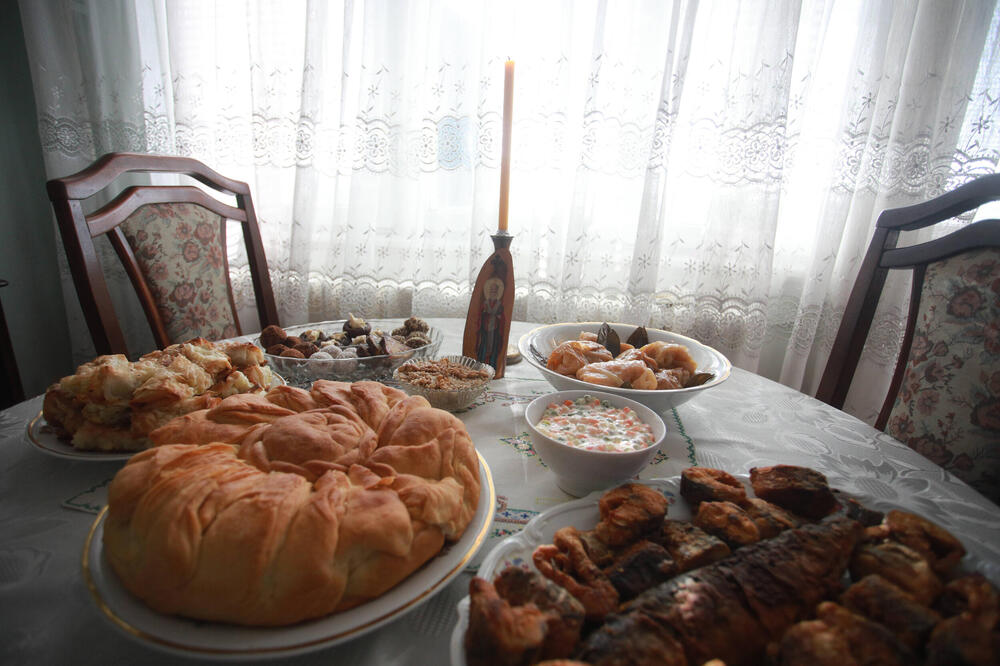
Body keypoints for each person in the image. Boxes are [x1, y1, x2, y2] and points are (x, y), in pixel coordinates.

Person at [476, 277, 505, 369]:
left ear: (497, 291)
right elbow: (479, 315)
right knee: (484, 346)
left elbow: (503, 317)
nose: (493, 292)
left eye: (495, 290)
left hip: (495, 328)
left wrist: (499, 317)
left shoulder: (499, 304)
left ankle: (492, 366)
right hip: (485, 327)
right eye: (491, 290)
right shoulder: (485, 303)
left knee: (493, 348)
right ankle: (481, 365)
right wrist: (484, 314)